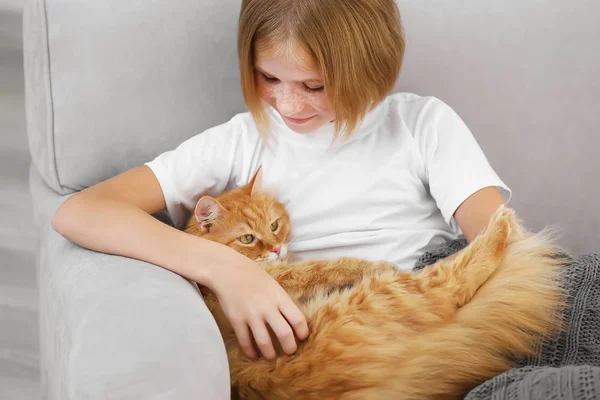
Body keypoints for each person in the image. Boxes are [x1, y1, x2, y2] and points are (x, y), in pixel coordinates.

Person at [51, 0, 511, 362]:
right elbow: (82, 211)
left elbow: (502, 244)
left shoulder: (423, 124)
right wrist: (223, 268)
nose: (288, 105)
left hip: (429, 301)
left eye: (313, 86)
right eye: (269, 77)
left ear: (370, 68)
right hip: (332, 335)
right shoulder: (242, 139)